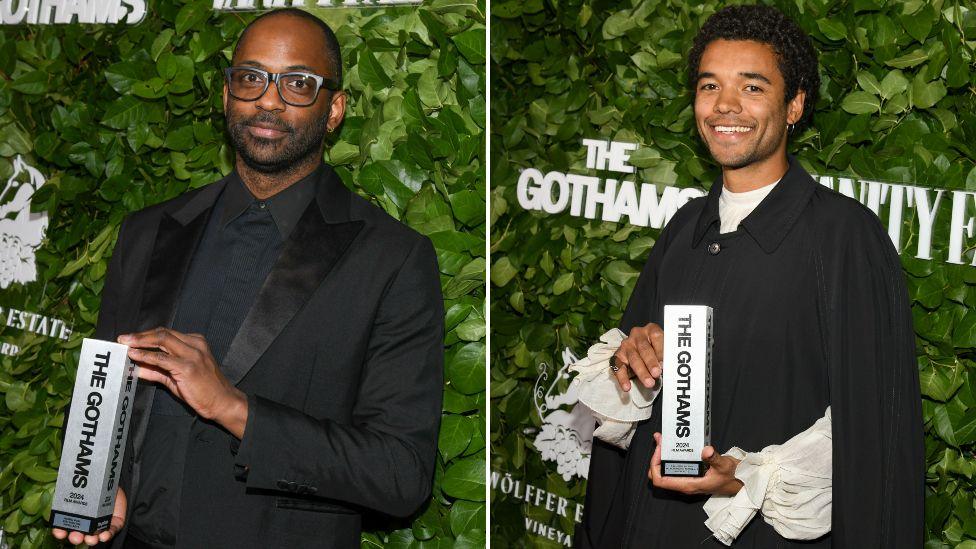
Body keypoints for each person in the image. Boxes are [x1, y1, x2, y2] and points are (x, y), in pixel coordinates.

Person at [52, 8, 444, 548]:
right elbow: (108, 389)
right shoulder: (148, 232)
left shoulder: (391, 259)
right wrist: (101, 486)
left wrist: (234, 408)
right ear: (226, 95)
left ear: (335, 111)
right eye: (251, 77)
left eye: (298, 83)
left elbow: (399, 474)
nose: (269, 98)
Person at [576, 5, 922, 548]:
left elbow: (872, 433)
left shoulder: (845, 237)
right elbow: (630, 384)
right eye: (709, 85)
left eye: (753, 87)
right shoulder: (686, 225)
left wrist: (743, 477)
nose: (725, 106)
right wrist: (633, 358)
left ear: (795, 105)